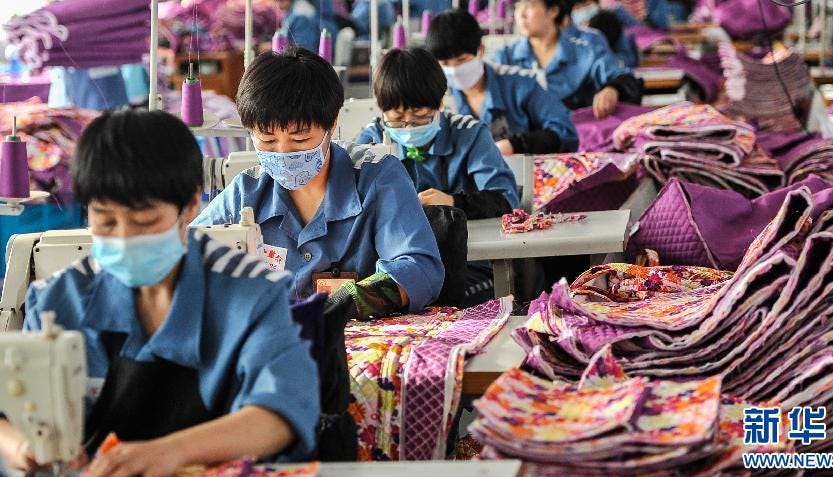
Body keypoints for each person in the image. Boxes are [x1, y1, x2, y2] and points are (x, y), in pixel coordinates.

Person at [0, 110, 320, 477]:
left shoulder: (251, 292)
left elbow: (282, 412)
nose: (123, 238)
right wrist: (24, 447)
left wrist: (173, 451)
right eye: (105, 221)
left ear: (191, 206)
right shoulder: (58, 298)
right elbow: (11, 415)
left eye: (145, 222)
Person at [193, 46, 443, 319]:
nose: (283, 152)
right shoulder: (245, 193)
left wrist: (347, 302)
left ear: (331, 125)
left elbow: (419, 268)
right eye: (267, 140)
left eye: (300, 139)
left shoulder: (378, 179)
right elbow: (185, 257)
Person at [357, 47, 519, 303]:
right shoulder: (372, 139)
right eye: (397, 120)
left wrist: (454, 202)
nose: (408, 127)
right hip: (396, 266)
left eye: (420, 117)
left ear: (440, 104)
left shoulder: (470, 134)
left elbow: (506, 200)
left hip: (470, 264)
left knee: (440, 301)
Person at [425, 9, 578, 155]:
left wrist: (517, 145)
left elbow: (565, 133)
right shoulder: (434, 97)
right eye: (445, 63)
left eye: (461, 60)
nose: (454, 69)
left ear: (481, 50)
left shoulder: (521, 84)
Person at [492, 0, 642, 118]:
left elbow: (624, 78)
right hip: (520, 144)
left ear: (553, 11)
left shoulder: (586, 53)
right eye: (518, 6)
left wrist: (612, 89)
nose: (521, 14)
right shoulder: (503, 58)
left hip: (579, 141)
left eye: (529, 5)